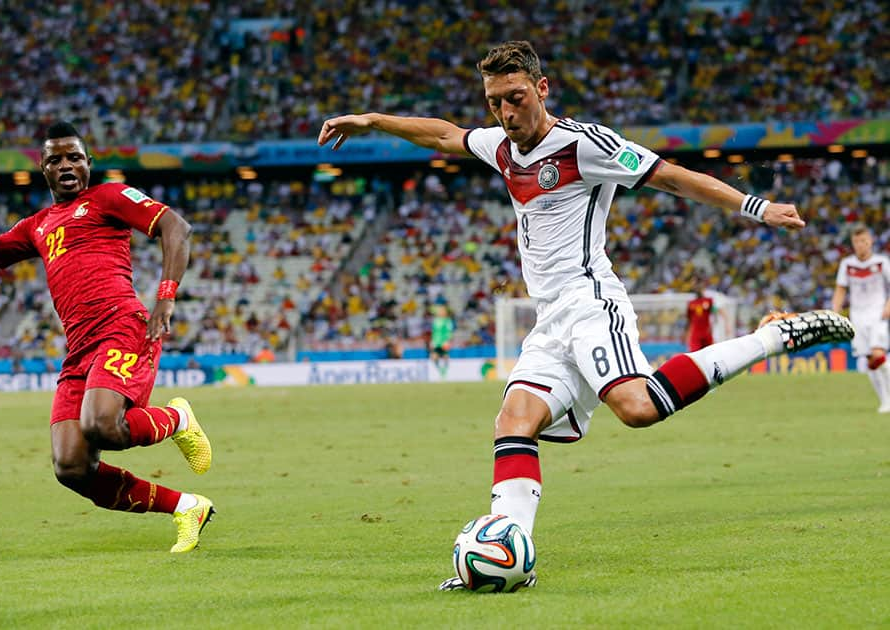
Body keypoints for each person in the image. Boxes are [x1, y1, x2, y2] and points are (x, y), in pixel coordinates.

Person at [318, 40, 855, 590]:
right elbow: (443, 134)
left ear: (542, 89)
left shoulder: (584, 144)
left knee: (638, 408)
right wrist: (373, 121)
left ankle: (773, 336)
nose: (506, 113)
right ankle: (507, 554)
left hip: (590, 303)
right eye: (495, 102)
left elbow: (668, 175)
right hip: (548, 320)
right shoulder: (503, 147)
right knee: (513, 422)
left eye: (516, 98)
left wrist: (754, 206)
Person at [0, 121, 214, 553]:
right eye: (55, 159)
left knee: (101, 425)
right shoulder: (36, 226)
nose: (66, 165)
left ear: (89, 163)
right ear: (44, 170)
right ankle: (187, 507)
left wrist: (165, 298)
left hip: (124, 327)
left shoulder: (109, 197)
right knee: (71, 465)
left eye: (74, 156)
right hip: (80, 351)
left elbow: (177, 227)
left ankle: (178, 419)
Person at [831, 224, 890, 412]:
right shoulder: (847, 264)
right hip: (858, 317)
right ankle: (885, 401)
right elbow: (840, 289)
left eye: (864, 241)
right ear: (853, 243)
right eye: (856, 242)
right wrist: (835, 312)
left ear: (870, 241)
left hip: (878, 314)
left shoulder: (881, 262)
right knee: (870, 360)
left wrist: (888, 307)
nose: (860, 245)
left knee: (878, 354)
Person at [685, 280, 715, 352]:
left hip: (706, 332)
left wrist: (712, 328)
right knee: (695, 354)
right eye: (697, 287)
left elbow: (715, 313)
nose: (698, 289)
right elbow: (689, 320)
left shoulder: (709, 301)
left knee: (710, 353)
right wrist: (687, 334)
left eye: (700, 287)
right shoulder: (691, 304)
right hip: (696, 333)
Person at [429, 304, 454, 377]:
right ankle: (440, 369)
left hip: (444, 342)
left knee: (445, 356)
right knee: (433, 357)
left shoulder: (448, 321)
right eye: (440, 311)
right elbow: (434, 332)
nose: (441, 312)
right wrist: (432, 341)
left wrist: (448, 341)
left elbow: (449, 332)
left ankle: (445, 370)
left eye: (443, 311)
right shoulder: (436, 321)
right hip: (436, 342)